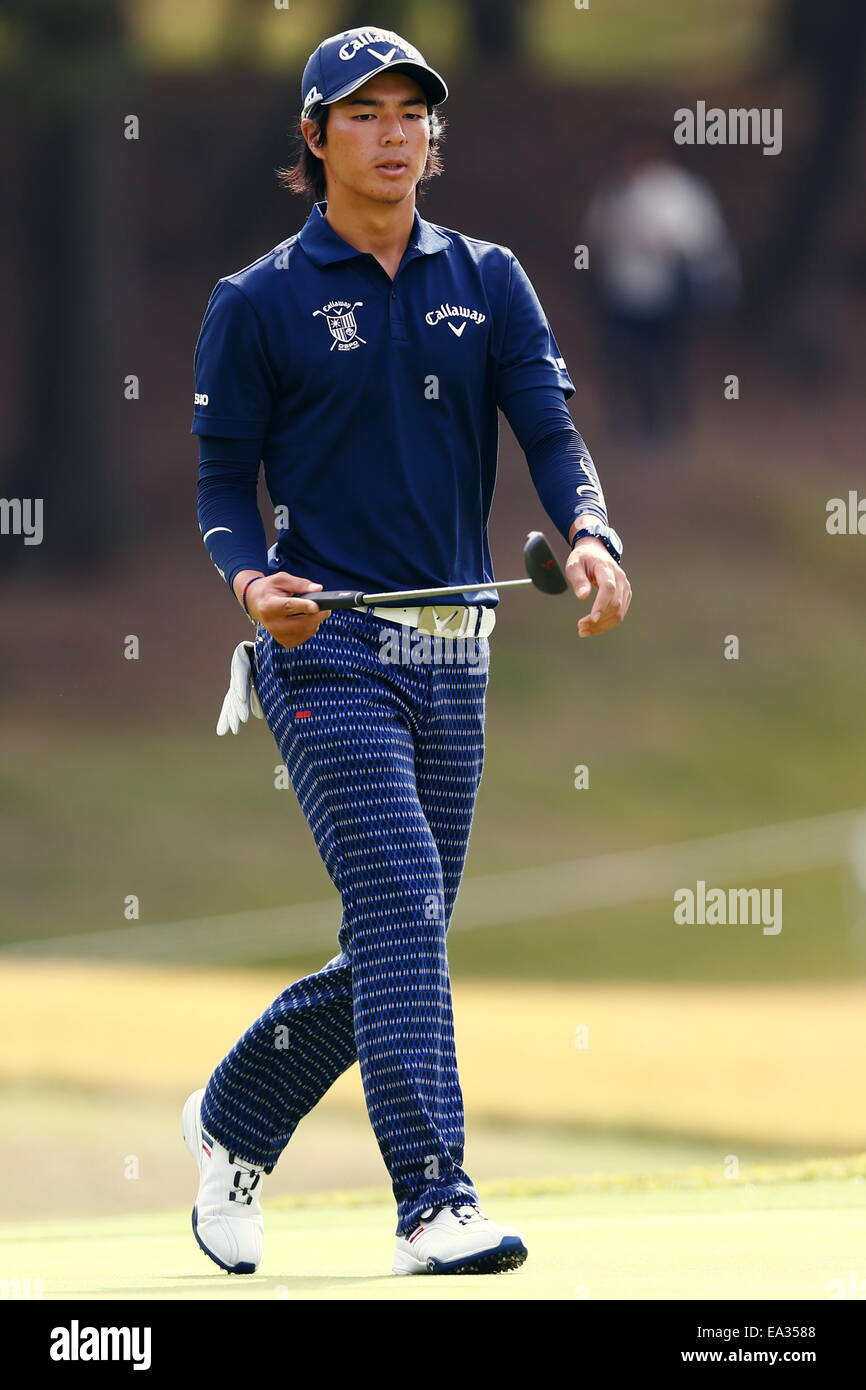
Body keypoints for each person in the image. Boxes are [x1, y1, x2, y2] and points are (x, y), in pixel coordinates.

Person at [184, 25, 631, 1278]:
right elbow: (223, 480)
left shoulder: (486, 280)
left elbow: (550, 429)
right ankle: (434, 1198)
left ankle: (232, 1116)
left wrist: (588, 534)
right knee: (399, 903)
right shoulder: (257, 300)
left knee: (405, 924)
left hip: (455, 652)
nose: (393, 134)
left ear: (433, 135)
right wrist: (247, 578)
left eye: (411, 114)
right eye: (363, 113)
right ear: (315, 139)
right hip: (325, 647)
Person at [584, 134, 739, 441]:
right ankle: (627, 416)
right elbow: (595, 234)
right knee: (621, 355)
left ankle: (665, 421)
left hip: (668, 291)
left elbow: (701, 243)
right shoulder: (614, 191)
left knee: (665, 358)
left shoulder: (683, 194)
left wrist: (663, 244)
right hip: (622, 288)